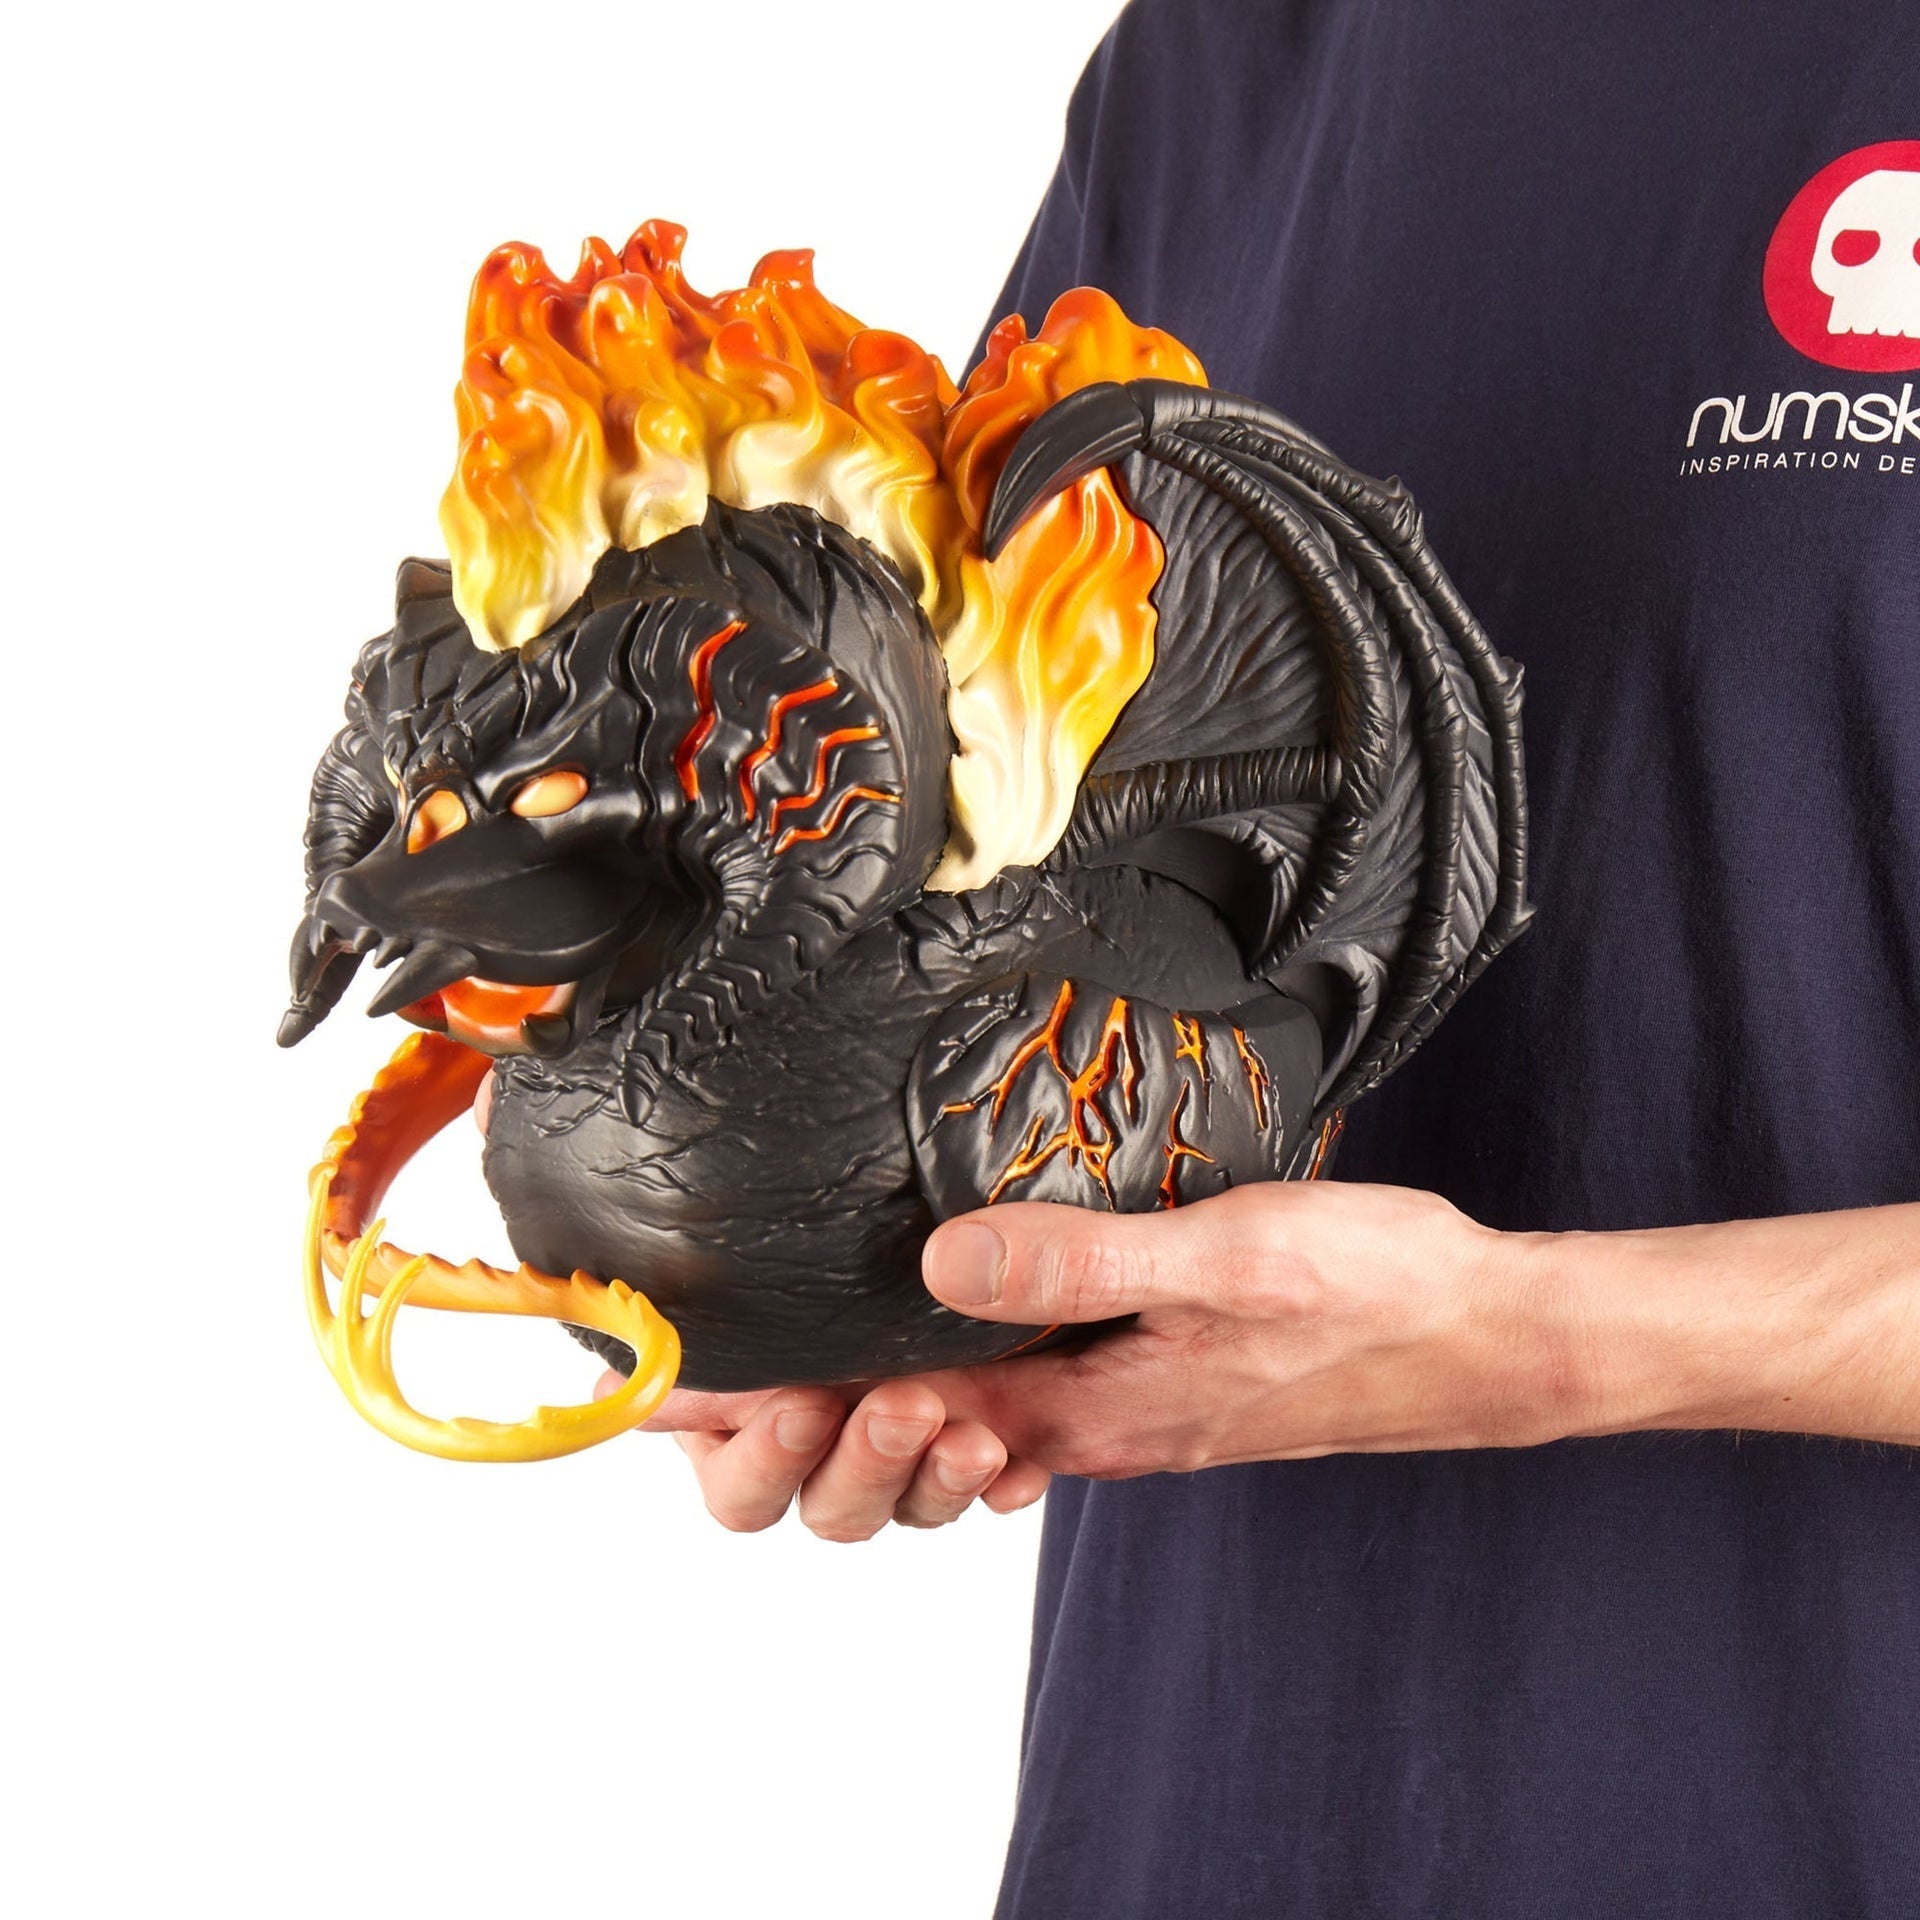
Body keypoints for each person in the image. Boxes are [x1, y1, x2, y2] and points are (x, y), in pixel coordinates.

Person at [628, 4, 1920, 1912]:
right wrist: (854, 1270)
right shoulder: (1222, 61)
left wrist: (1537, 1339)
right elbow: (1011, 880)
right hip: (1211, 1817)